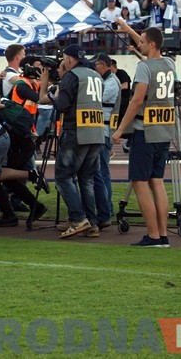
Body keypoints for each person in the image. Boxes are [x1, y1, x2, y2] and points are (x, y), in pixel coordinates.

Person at [113, 23, 175, 248]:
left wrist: (120, 129)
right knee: (157, 181)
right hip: (164, 130)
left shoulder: (143, 68)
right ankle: (163, 234)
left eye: (141, 41)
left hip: (145, 131)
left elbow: (137, 100)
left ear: (151, 45)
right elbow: (147, 47)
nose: (138, 43)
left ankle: (152, 235)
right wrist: (125, 27)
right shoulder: (169, 64)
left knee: (139, 181)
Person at [47, 44, 104, 239]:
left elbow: (62, 105)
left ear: (69, 59)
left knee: (63, 177)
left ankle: (78, 219)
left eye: (64, 58)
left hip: (76, 131)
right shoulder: (95, 75)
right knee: (86, 179)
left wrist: (51, 95)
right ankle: (92, 223)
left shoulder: (72, 76)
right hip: (96, 132)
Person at [91, 52, 121, 230]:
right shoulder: (110, 80)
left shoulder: (111, 82)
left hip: (104, 130)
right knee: (102, 172)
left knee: (101, 172)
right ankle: (106, 209)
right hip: (103, 130)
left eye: (96, 66)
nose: (94, 69)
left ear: (103, 65)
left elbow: (95, 99)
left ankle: (106, 210)